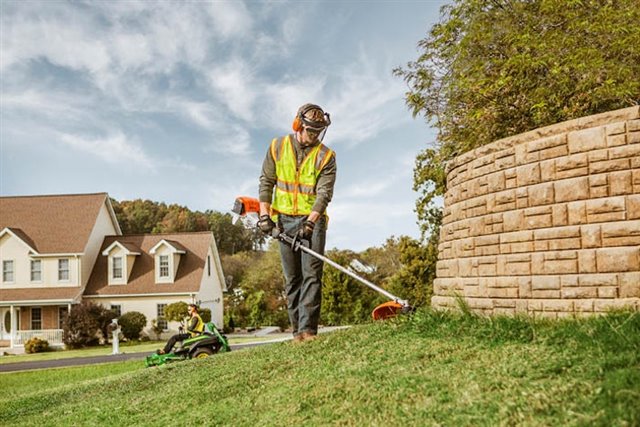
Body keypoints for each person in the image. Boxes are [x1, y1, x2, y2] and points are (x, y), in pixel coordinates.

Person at [258, 103, 337, 343]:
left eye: (318, 131)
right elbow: (266, 182)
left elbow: (324, 194)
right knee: (292, 279)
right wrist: (265, 216)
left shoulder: (327, 156)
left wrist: (311, 223)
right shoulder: (277, 147)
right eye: (310, 130)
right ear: (298, 125)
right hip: (283, 220)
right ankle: (296, 333)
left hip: (312, 222)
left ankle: (308, 331)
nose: (313, 136)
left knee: (312, 275)